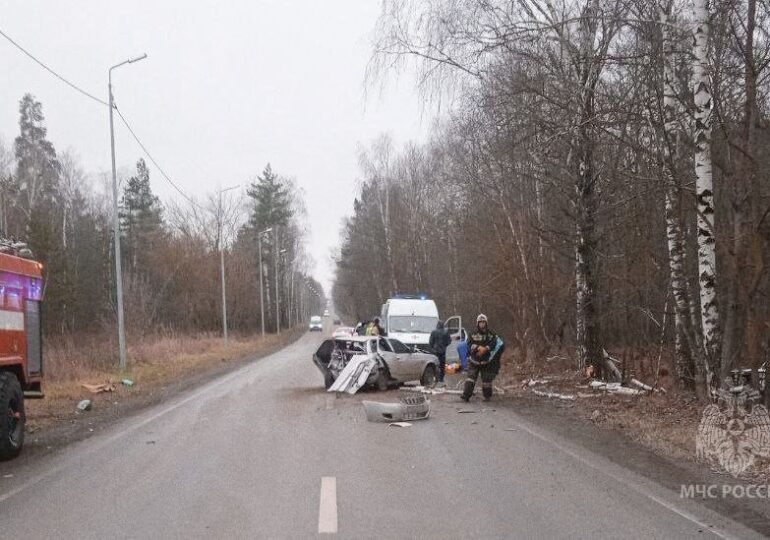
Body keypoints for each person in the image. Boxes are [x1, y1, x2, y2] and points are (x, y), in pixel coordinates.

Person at [461, 314, 505, 402]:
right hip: (474, 360)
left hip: (486, 361)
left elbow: (494, 344)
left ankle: (487, 396)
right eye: (480, 322)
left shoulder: (491, 334)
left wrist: (486, 349)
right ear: (477, 323)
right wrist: (478, 348)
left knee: (487, 380)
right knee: (470, 378)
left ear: (486, 323)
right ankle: (466, 395)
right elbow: (469, 344)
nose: (482, 324)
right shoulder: (472, 333)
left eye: (483, 322)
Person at [429, 321, 451, 387]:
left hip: (435, 351)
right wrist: (444, 345)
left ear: (437, 325)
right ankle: (441, 379)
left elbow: (430, 342)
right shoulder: (446, 332)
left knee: (435, 365)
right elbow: (449, 341)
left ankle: (435, 378)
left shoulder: (433, 332)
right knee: (442, 365)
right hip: (443, 351)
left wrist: (433, 348)